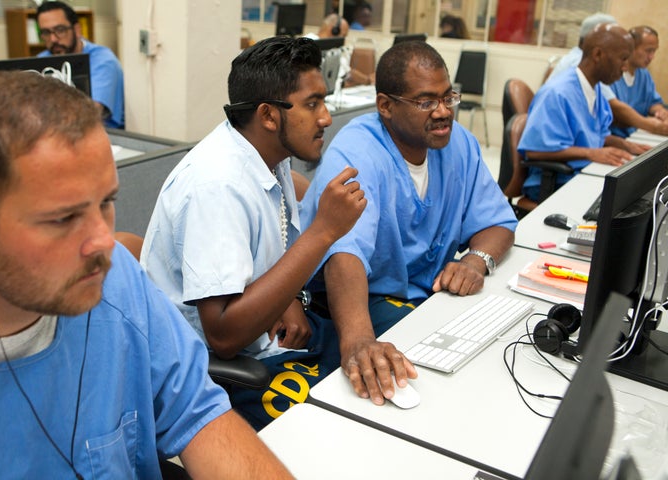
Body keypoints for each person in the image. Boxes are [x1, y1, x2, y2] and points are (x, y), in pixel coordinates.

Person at [0, 71, 292, 479]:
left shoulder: (113, 279)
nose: (103, 241)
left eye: (106, 202)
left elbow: (199, 416)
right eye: (63, 218)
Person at [141, 36, 366, 429]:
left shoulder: (265, 154)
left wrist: (288, 297)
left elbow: (269, 237)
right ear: (268, 115)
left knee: (370, 360)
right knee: (346, 423)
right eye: (312, 104)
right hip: (215, 375)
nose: (326, 118)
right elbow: (224, 336)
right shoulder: (216, 186)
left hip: (265, 340)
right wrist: (323, 232)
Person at [299, 41, 518, 406]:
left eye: (449, 97)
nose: (444, 112)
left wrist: (475, 260)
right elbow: (344, 253)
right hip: (361, 299)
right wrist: (357, 340)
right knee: (428, 386)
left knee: (488, 360)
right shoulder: (357, 152)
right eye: (426, 102)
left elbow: (498, 222)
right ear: (385, 106)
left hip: (426, 297)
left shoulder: (458, 143)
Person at [519, 24, 651, 202]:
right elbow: (535, 151)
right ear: (597, 55)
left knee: (638, 192)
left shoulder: (595, 89)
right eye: (623, 59)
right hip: (554, 183)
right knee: (624, 202)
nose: (626, 67)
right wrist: (591, 153)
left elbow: (596, 134)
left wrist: (625, 145)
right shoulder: (557, 93)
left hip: (582, 172)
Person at [549, 13, 668, 137]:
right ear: (598, 50)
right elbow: (613, 107)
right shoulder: (581, 64)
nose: (624, 66)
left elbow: (597, 133)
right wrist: (652, 126)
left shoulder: (599, 74)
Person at [36, 1, 125, 129]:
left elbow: (90, 114)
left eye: (60, 30)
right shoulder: (42, 60)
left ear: (77, 30)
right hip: (57, 134)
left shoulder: (102, 60)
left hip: (103, 135)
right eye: (46, 33)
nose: (53, 39)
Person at [610, 26, 668, 138]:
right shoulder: (612, 75)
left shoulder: (643, 74)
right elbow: (616, 111)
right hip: (617, 138)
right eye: (648, 51)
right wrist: (651, 126)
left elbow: (652, 101)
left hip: (638, 133)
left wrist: (660, 112)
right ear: (631, 47)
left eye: (654, 51)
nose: (651, 57)